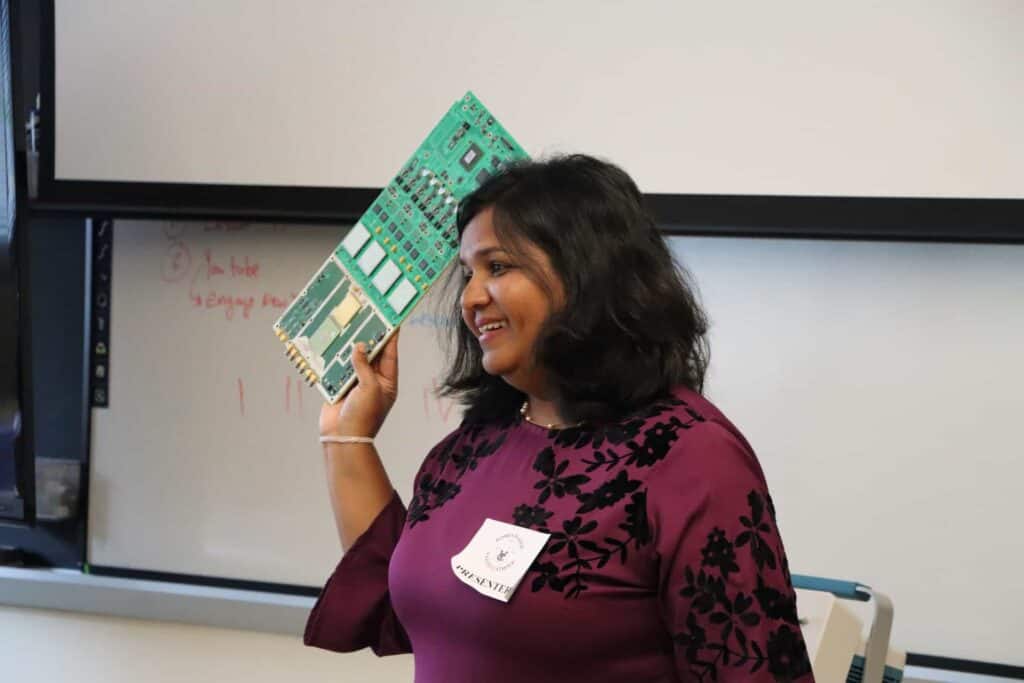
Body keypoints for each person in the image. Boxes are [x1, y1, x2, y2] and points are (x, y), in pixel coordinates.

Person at [305, 155, 814, 682]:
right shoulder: (472, 448)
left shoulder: (691, 458)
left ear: (586, 273)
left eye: (498, 267)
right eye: (466, 274)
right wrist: (348, 435)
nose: (471, 298)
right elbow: (409, 609)